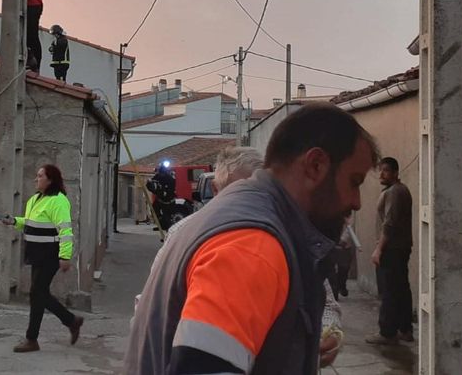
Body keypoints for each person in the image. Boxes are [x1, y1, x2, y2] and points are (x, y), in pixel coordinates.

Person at [126, 103, 378, 374]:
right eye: (354, 182)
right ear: (315, 165)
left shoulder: (248, 219)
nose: (357, 202)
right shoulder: (251, 245)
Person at [136, 146, 347, 369]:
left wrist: (330, 335)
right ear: (217, 191)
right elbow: (149, 306)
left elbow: (326, 304)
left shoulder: (293, 236)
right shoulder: (183, 234)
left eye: (258, 191)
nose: (250, 202)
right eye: (239, 191)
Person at [1, 164, 84, 353]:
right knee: (38, 294)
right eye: (37, 175)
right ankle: (70, 322)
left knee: (37, 293)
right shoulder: (35, 199)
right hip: (36, 254)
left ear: (50, 179)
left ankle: (34, 337)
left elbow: (66, 231)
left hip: (50, 254)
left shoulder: (58, 201)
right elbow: (31, 224)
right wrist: (14, 221)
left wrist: (65, 256)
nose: (36, 179)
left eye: (40, 176)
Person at [366, 157, 414, 345]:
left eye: (385, 171)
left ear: (395, 173)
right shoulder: (398, 190)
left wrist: (379, 249)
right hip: (399, 248)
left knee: (389, 290)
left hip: (392, 249)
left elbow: (389, 223)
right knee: (401, 288)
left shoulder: (394, 192)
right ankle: (405, 329)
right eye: (381, 170)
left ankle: (387, 331)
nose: (381, 174)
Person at [328, 213, 356, 298]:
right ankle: (334, 291)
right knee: (331, 269)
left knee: (344, 268)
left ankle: (341, 285)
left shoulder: (346, 210)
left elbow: (350, 226)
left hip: (344, 246)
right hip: (331, 243)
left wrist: (343, 240)